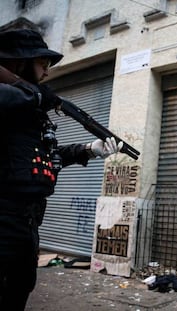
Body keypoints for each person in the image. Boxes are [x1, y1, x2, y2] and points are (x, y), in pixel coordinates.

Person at [0, 28, 123, 310]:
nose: (46, 74)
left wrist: (88, 150)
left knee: (18, 291)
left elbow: (43, 157)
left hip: (28, 222)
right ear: (19, 63)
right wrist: (38, 96)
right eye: (42, 64)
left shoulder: (31, 112)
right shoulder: (17, 102)